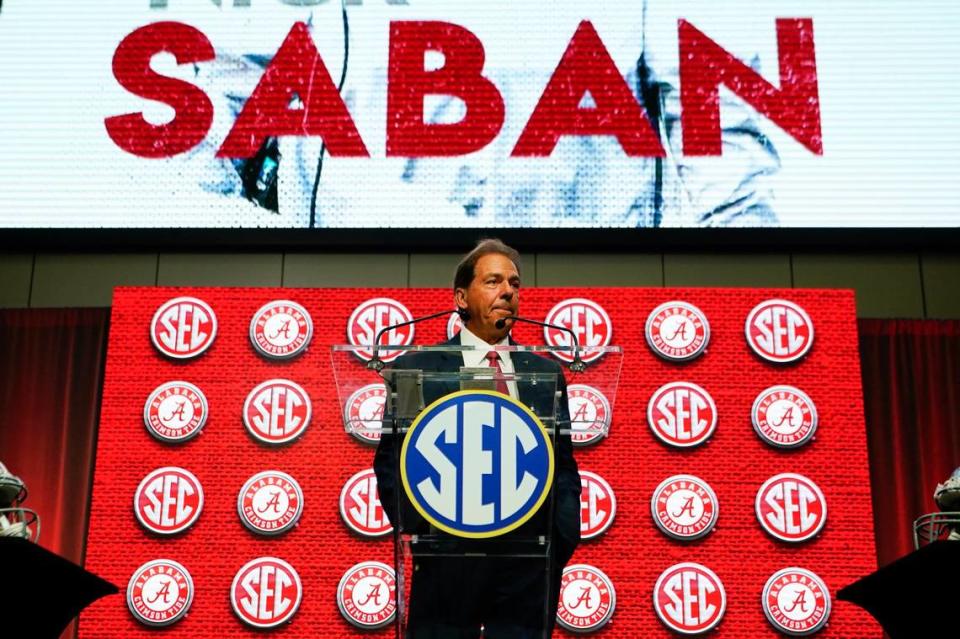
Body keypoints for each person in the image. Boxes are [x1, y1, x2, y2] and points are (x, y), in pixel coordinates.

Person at [374, 239, 581, 638]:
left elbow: (564, 466)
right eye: (493, 281)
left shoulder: (545, 373)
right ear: (461, 298)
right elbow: (390, 462)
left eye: (515, 284)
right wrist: (423, 530)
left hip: (528, 559)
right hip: (445, 559)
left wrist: (562, 533)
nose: (508, 291)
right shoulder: (417, 368)